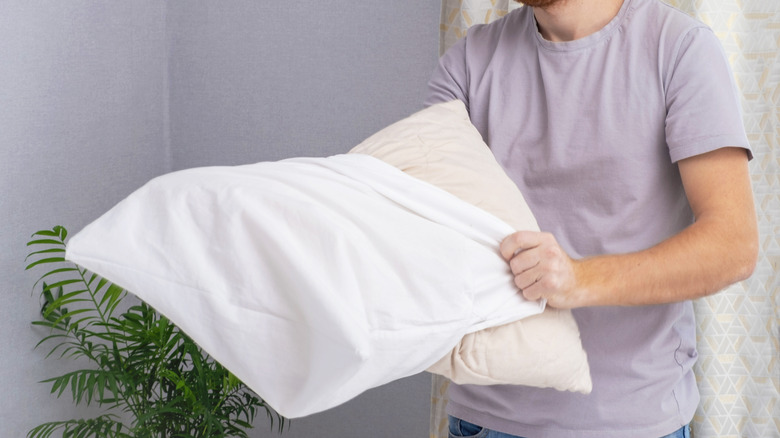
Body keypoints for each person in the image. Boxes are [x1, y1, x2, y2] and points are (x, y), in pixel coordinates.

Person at [425, 0, 759, 437]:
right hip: (485, 420)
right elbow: (423, 221)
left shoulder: (679, 49)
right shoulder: (469, 62)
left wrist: (578, 280)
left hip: (632, 421)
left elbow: (732, 246)